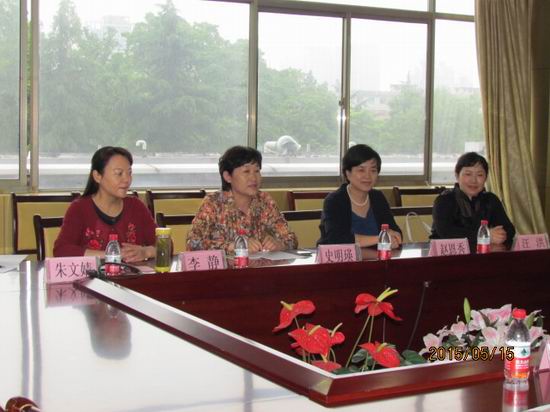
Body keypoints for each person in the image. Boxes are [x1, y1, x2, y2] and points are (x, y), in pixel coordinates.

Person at [186, 146, 297, 253]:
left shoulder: (264, 201)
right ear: (228, 176)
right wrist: (234, 246)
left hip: (256, 265)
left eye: (257, 171)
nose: (254, 178)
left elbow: (291, 239)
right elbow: (193, 244)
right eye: (246, 171)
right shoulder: (213, 203)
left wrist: (280, 245)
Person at [54, 146, 157, 262]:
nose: (127, 179)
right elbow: (62, 250)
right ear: (97, 176)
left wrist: (145, 252)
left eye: (129, 173)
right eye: (119, 173)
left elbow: (165, 244)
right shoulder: (80, 209)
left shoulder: (136, 206)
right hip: (93, 274)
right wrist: (111, 255)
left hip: (132, 273)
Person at [318, 144, 402, 247]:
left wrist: (394, 238)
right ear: (348, 173)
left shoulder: (377, 197)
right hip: (341, 257)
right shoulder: (335, 200)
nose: (367, 176)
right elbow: (336, 239)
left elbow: (395, 231)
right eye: (361, 170)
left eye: (373, 170)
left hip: (375, 256)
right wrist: (381, 238)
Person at [431, 152, 516, 246]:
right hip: (446, 253)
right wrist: (486, 235)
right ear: (457, 175)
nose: (474, 180)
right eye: (468, 174)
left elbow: (509, 229)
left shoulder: (491, 199)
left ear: (486, 178)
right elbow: (446, 232)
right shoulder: (444, 200)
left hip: (483, 252)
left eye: (480, 175)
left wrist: (499, 235)